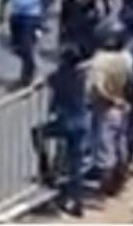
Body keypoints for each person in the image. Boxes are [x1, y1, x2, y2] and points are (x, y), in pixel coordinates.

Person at [87, 23, 133, 196]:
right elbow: (131, 81)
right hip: (123, 106)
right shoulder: (127, 58)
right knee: (120, 143)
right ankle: (121, 179)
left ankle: (108, 187)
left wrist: (110, 99)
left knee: (106, 148)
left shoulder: (99, 61)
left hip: (107, 108)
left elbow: (98, 87)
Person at [46, 43, 90, 217]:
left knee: (38, 133)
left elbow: (49, 80)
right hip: (81, 123)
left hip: (66, 123)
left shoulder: (60, 76)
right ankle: (78, 203)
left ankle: (47, 170)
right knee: (76, 166)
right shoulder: (80, 76)